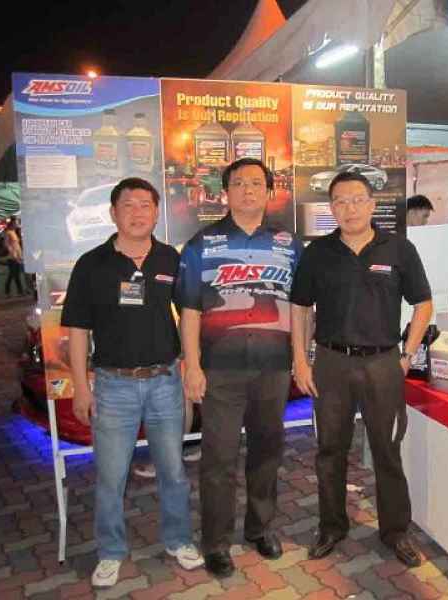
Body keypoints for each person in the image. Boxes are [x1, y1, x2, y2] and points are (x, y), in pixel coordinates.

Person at [61, 178, 203, 588]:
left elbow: (190, 315)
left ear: (157, 213)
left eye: (145, 205)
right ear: (113, 213)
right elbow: (77, 330)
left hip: (165, 382)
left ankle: (178, 540)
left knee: (173, 470)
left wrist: (192, 367)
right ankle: (110, 552)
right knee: (111, 477)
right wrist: (81, 387)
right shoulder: (92, 264)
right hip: (113, 386)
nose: (137, 212)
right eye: (128, 205)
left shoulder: (171, 259)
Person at [290, 171, 434, 567]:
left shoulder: (399, 249)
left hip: (383, 363)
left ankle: (395, 531)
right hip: (331, 362)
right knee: (329, 449)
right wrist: (300, 360)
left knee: (387, 449)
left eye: (357, 200)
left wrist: (407, 355)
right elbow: (300, 308)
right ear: (331, 208)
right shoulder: (318, 252)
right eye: (340, 201)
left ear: (372, 205)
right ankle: (332, 526)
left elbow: (423, 304)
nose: (349, 208)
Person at [174, 158, 303, 578]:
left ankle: (260, 528)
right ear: (225, 192)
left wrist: (302, 358)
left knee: (267, 452)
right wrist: (192, 366)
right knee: (219, 458)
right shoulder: (202, 244)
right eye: (239, 183)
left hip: (273, 367)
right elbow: (189, 310)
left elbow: (302, 308)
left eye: (256, 183)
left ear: (269, 192)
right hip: (220, 369)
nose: (248, 190)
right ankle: (215, 542)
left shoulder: (289, 244)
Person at [4, 218, 25, 296]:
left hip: (17, 256)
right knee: (13, 274)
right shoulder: (8, 233)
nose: (17, 225)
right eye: (16, 223)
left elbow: (16, 245)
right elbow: (7, 244)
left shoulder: (14, 232)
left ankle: (17, 291)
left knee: (15, 274)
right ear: (12, 224)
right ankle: (13, 291)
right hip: (12, 257)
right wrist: (13, 254)